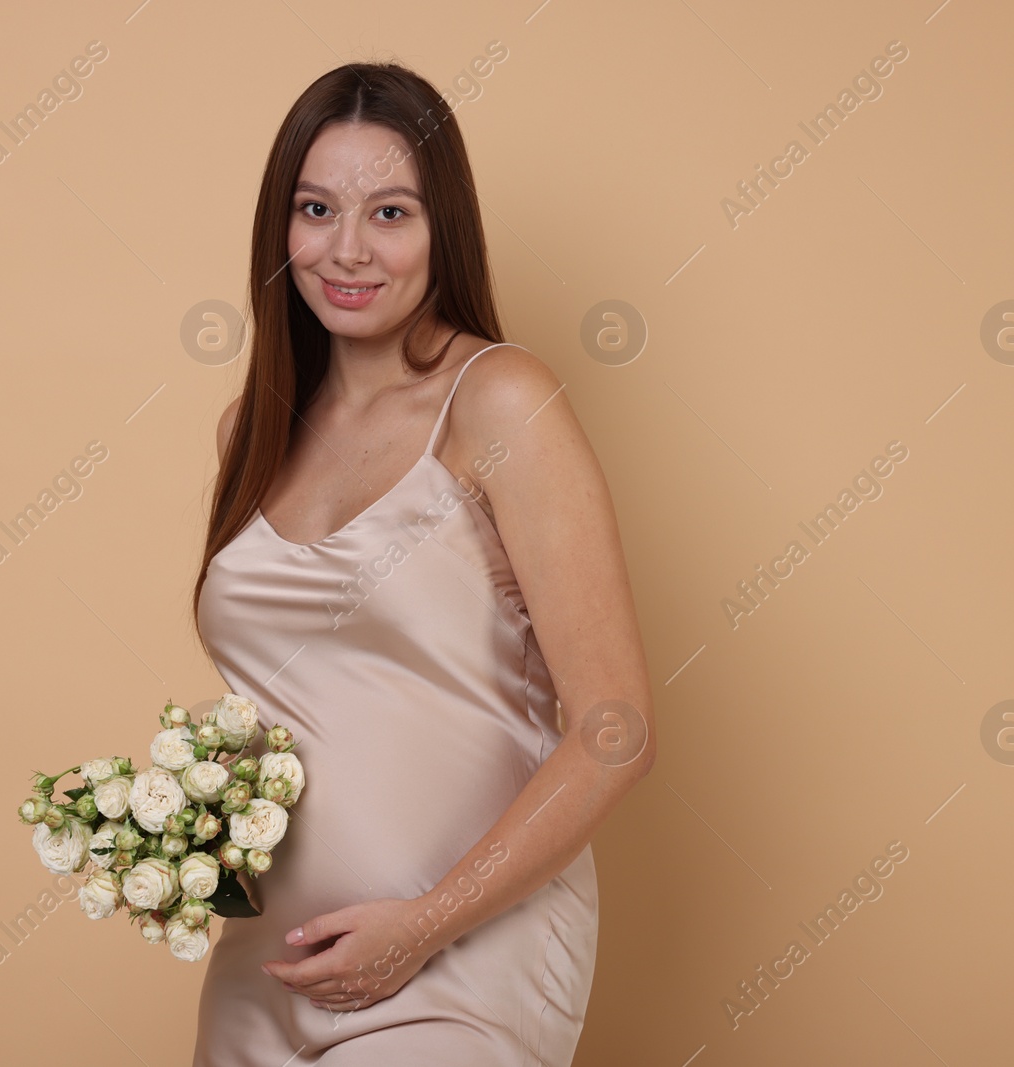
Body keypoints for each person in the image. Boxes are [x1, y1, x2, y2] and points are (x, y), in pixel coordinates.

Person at [191, 60, 655, 1066]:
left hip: (464, 950)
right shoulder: (252, 427)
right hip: (269, 958)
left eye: (389, 212)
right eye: (316, 209)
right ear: (282, 226)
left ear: (442, 226)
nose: (347, 248)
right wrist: (175, 828)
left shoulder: (498, 401)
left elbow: (616, 730)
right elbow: (302, 698)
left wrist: (426, 922)